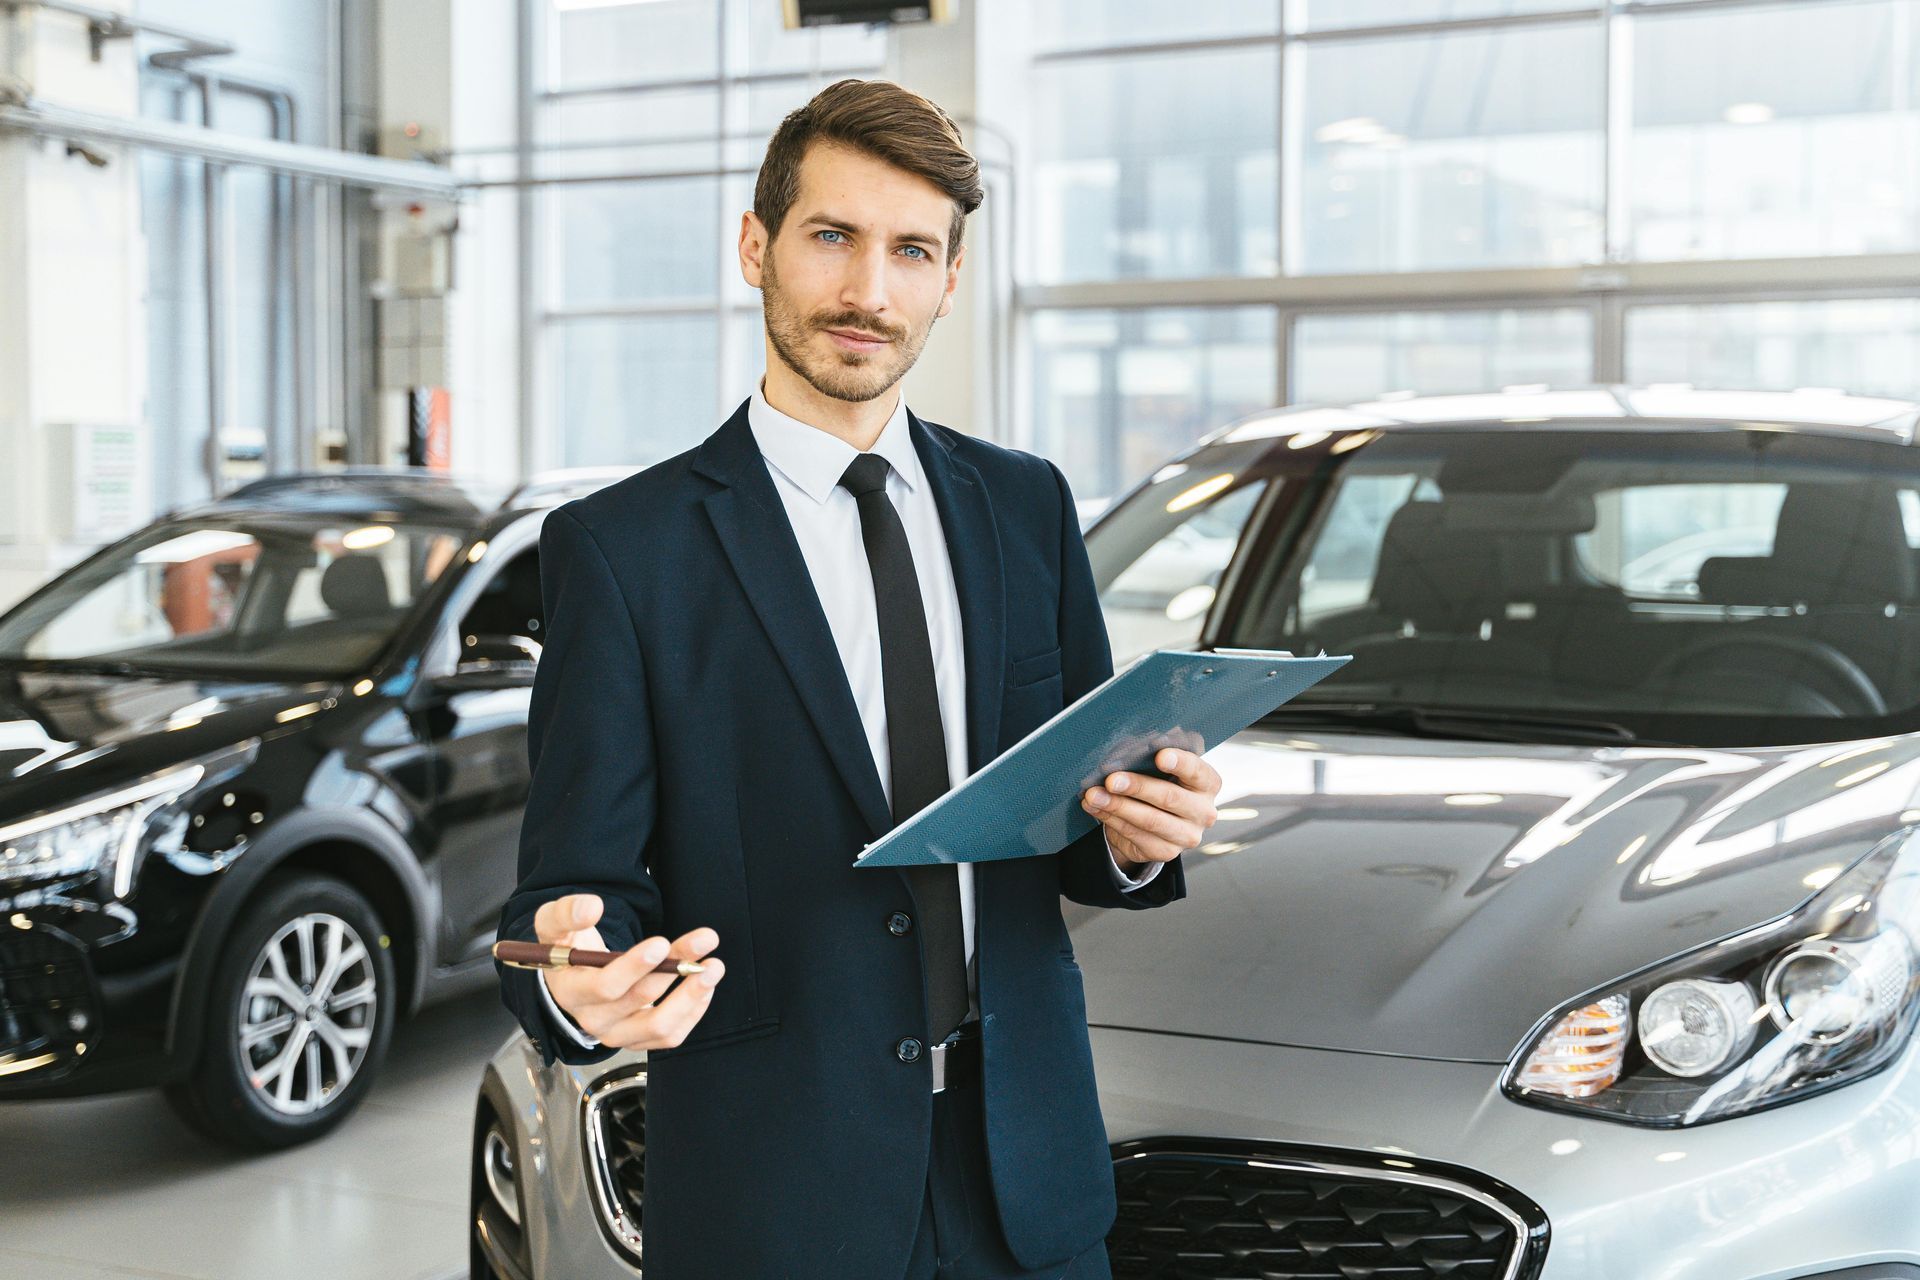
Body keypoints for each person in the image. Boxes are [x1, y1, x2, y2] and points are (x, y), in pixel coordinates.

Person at [494, 77, 1221, 1280]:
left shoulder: (1027, 505)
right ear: (755, 246)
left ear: (949, 276)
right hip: (778, 1192)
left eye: (911, 251)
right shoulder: (624, 551)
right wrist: (579, 979)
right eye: (832, 236)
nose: (868, 291)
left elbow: (1081, 814)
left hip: (1025, 1175)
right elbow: (574, 888)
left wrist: (1145, 832)